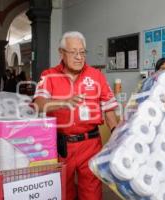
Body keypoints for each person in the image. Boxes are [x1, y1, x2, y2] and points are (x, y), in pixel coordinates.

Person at [33, 31, 118, 200]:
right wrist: (64, 102)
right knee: (62, 192)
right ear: (61, 53)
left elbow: (109, 111)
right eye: (73, 52)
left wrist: (118, 137)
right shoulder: (49, 76)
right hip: (61, 145)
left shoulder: (97, 76)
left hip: (91, 144)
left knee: (92, 194)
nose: (79, 57)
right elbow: (38, 105)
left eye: (82, 52)